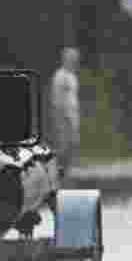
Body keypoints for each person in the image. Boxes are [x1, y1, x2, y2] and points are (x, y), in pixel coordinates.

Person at [51, 47, 81, 177]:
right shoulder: (60, 75)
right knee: (63, 143)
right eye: (72, 59)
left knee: (72, 142)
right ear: (65, 60)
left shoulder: (72, 75)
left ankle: (68, 169)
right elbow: (57, 97)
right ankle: (59, 169)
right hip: (63, 113)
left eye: (75, 59)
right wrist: (63, 115)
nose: (74, 62)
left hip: (72, 113)